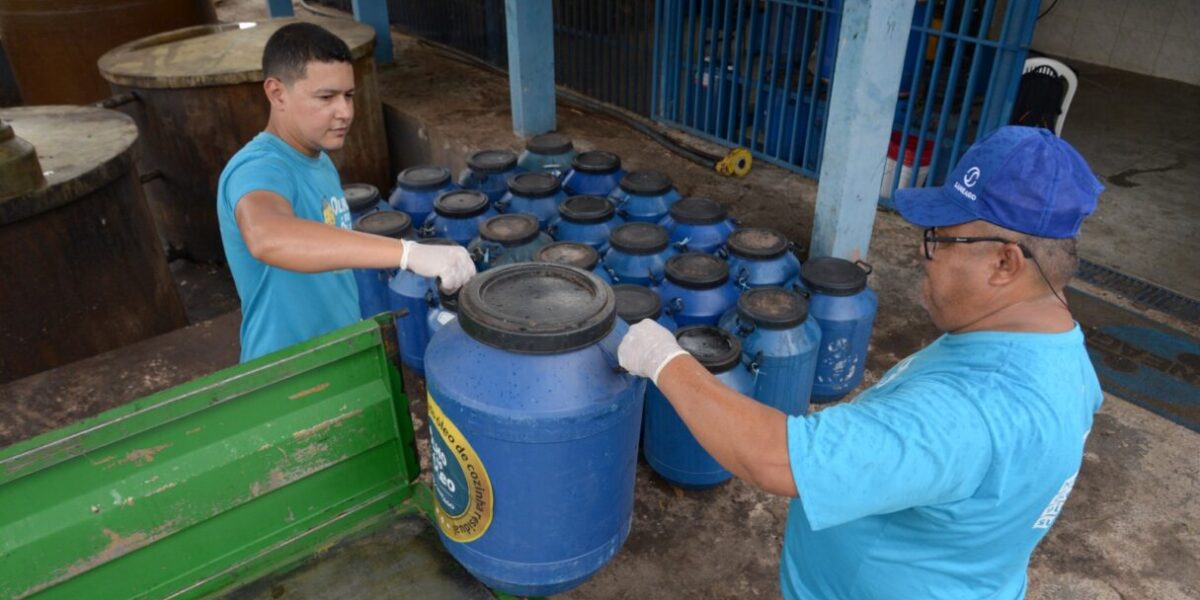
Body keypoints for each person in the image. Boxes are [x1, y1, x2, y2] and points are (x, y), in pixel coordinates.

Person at [617, 126, 1105, 599]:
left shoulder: (967, 412)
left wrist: (664, 360)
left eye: (941, 237)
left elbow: (776, 458)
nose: (922, 248)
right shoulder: (1057, 350)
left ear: (1005, 264)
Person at [217, 23, 473, 362]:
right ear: (277, 93)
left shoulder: (318, 159)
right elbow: (267, 236)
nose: (346, 112)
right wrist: (408, 253)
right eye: (326, 97)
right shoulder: (259, 168)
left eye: (348, 95)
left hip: (338, 354)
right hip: (286, 372)